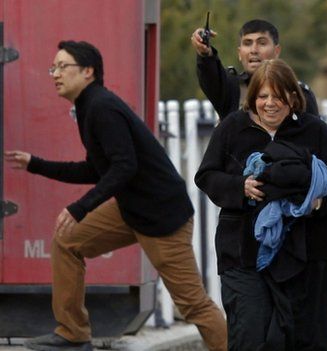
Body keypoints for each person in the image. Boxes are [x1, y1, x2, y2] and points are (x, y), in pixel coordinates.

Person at [4, 41, 227, 351]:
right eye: (52, 68)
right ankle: (72, 332)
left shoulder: (101, 107)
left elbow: (124, 167)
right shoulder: (87, 106)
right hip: (132, 209)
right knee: (67, 240)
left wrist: (80, 208)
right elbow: (96, 169)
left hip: (162, 216)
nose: (54, 74)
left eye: (62, 66)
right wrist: (35, 164)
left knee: (193, 306)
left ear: (88, 71)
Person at [194, 58, 327, 350]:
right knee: (250, 335)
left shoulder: (316, 132)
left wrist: (312, 202)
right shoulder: (233, 128)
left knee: (304, 340)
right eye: (263, 96)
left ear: (293, 98)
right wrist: (240, 187)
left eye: (279, 96)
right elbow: (206, 176)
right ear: (252, 98)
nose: (270, 104)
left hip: (311, 255)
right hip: (245, 252)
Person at [191, 18, 318, 119]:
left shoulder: (297, 92)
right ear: (239, 53)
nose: (254, 50)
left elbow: (315, 140)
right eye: (247, 43)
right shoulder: (232, 89)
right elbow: (210, 76)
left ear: (277, 51)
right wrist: (205, 53)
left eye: (262, 43)